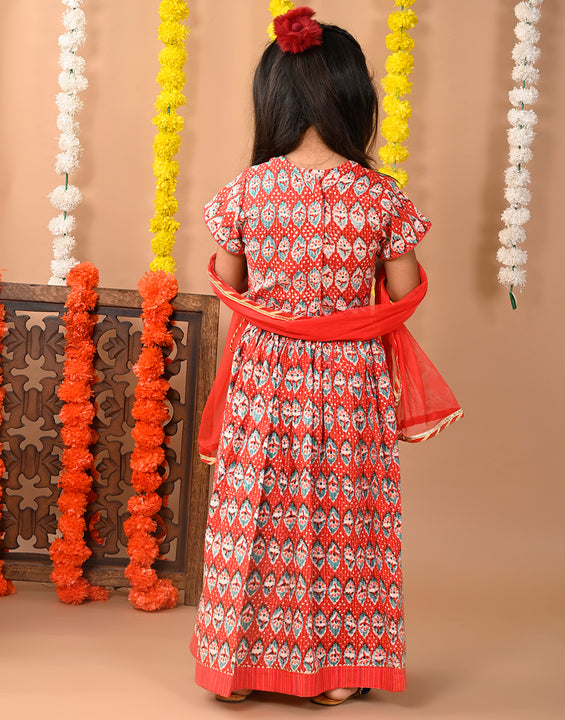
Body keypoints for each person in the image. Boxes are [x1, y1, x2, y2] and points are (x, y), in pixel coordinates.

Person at [190, 6, 461, 706]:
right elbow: (403, 293)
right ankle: (335, 674)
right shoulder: (379, 198)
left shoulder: (246, 192)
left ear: (271, 98)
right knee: (341, 523)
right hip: (348, 378)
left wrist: (282, 313)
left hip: (264, 375)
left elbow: (229, 284)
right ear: (353, 98)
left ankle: (240, 668)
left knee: (256, 512)